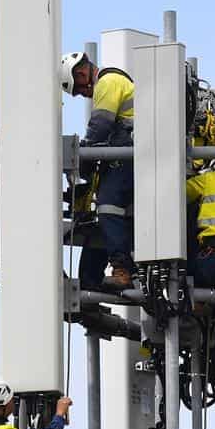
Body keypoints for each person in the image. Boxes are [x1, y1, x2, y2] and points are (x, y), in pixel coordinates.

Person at [61, 51, 136, 290]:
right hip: (132, 155)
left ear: (82, 73)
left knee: (108, 206)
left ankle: (122, 269)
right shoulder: (114, 82)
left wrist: (84, 154)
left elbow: (100, 126)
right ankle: (92, 281)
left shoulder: (108, 81)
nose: (84, 95)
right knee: (110, 218)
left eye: (80, 90)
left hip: (130, 155)